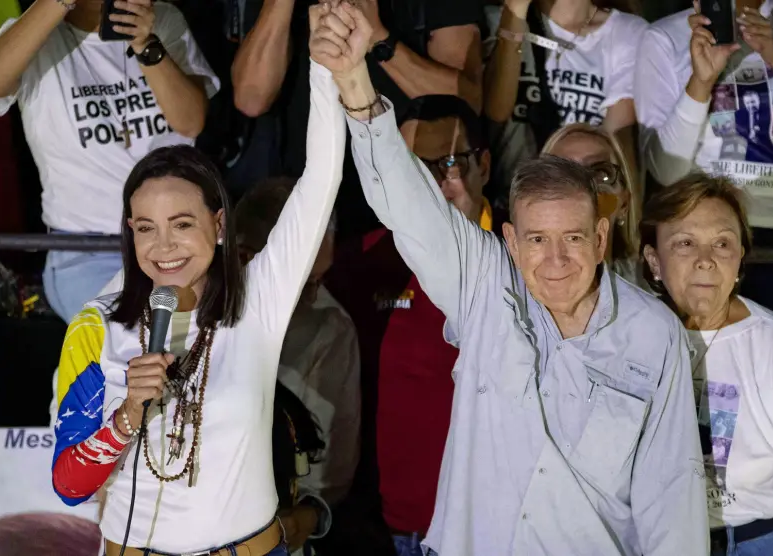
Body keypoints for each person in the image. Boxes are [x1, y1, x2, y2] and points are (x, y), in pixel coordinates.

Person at [317, 5, 707, 554]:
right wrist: (356, 81)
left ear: (599, 238)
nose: (555, 260)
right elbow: (406, 203)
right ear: (509, 241)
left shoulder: (654, 332)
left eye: (572, 238)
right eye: (537, 240)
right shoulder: (483, 289)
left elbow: (674, 496)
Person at [48, 3, 349, 552]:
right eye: (145, 228)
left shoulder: (258, 300)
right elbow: (68, 484)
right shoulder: (98, 325)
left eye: (181, 224)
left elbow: (319, 180)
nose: (163, 246)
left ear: (217, 226)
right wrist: (125, 417)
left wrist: (328, 70)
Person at [640, 174, 773, 556]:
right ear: (654, 260)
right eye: (685, 243)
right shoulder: (631, 339)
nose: (705, 260)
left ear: (739, 259)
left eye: (722, 243)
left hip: (756, 542)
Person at [634, 0, 773, 350]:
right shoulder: (664, 37)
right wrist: (701, 81)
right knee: (704, 377)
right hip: (705, 235)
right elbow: (666, 169)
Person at [327, 93, 496, 556]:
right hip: (385, 527)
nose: (434, 182)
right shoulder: (357, 263)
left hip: (497, 524)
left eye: (448, 162)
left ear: (484, 163)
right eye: (414, 167)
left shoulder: (526, 258)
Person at [0, 0, 220, 322]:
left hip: (176, 242)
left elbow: (190, 121)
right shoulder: (38, 35)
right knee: (132, 343)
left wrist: (145, 44)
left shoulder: (161, 19)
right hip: (88, 252)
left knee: (207, 346)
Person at [231, 0, 483, 237]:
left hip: (411, 202)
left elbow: (467, 100)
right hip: (312, 208)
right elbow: (250, 99)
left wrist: (379, 39)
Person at [235, 177, 362, 553]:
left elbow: (327, 477)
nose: (315, 295)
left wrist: (303, 517)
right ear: (244, 257)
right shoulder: (182, 312)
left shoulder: (330, 328)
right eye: (305, 279)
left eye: (322, 278)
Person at [483, 0, 647, 200]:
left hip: (581, 206)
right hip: (508, 200)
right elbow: (496, 111)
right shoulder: (498, 20)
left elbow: (617, 147)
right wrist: (515, 12)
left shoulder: (626, 32)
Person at [539, 123, 644, 287]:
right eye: (562, 173)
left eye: (601, 173)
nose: (583, 187)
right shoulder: (507, 285)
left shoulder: (652, 288)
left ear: (624, 204)